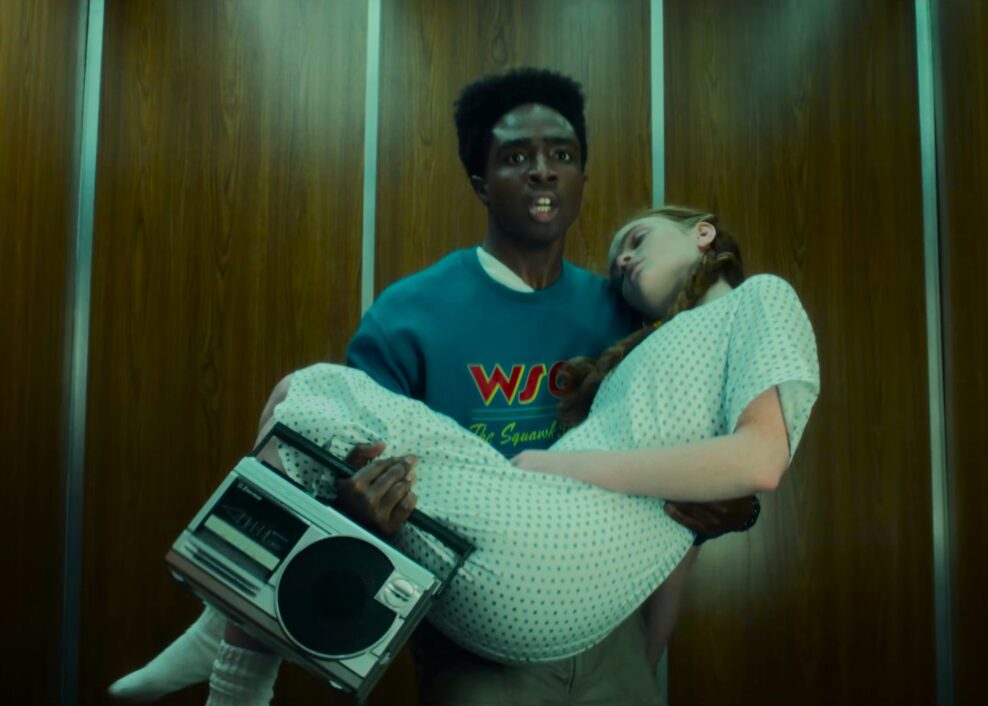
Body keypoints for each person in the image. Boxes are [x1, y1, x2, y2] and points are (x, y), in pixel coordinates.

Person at [109, 69, 764, 705]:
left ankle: (224, 629)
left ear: (581, 181)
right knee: (306, 400)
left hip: (608, 630)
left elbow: (700, 443)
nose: (542, 171)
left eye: (562, 156)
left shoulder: (630, 314)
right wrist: (355, 508)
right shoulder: (408, 314)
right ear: (481, 183)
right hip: (475, 644)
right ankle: (232, 632)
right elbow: (323, 466)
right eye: (516, 157)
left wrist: (737, 510)